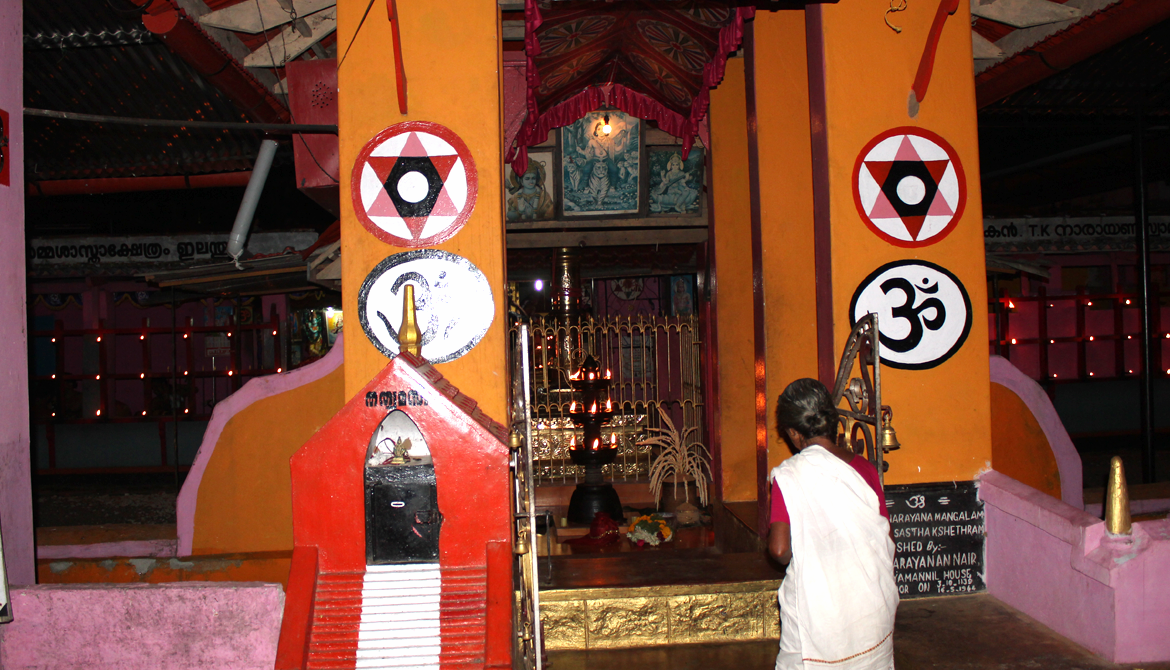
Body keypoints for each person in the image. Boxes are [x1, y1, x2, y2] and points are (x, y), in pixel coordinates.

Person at [768, 378, 898, 670]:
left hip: (819, 611)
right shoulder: (864, 468)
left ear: (792, 432)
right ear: (831, 421)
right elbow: (885, 535)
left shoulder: (790, 476)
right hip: (870, 603)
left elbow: (778, 550)